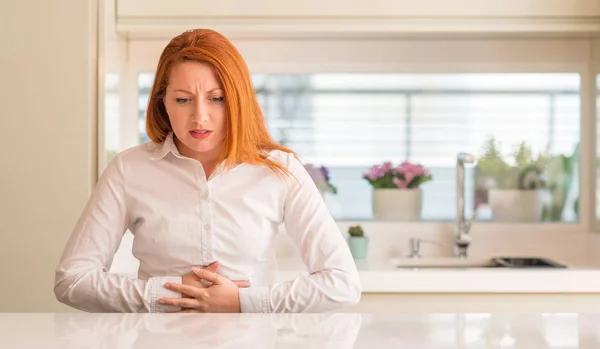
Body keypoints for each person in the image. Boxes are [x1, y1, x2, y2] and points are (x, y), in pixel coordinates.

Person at [54, 28, 361, 313]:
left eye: (216, 99)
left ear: (238, 100)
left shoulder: (280, 171)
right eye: (183, 100)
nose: (199, 117)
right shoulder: (129, 169)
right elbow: (73, 280)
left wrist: (243, 302)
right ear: (163, 102)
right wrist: (166, 295)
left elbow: (343, 283)